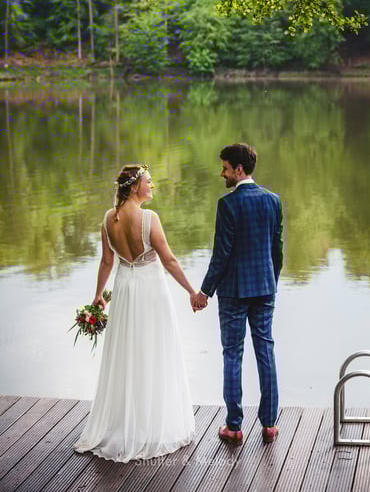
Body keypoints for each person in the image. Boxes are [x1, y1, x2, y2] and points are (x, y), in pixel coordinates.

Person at [74, 163, 199, 462]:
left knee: (126, 354)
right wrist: (192, 292)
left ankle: (123, 424)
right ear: (134, 187)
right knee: (155, 351)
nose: (152, 185)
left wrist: (98, 297)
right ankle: (152, 425)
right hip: (150, 291)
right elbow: (168, 260)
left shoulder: (108, 219)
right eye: (148, 181)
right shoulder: (149, 219)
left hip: (125, 290)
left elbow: (106, 262)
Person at [192, 143, 283, 446]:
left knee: (233, 354)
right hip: (264, 288)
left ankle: (234, 426)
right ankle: (269, 424)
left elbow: (221, 255)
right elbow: (277, 251)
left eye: (226, 168)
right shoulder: (273, 200)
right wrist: (271, 281)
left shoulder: (227, 204)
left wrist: (204, 292)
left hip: (233, 292)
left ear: (239, 169)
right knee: (266, 352)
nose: (223, 173)